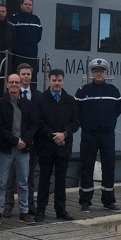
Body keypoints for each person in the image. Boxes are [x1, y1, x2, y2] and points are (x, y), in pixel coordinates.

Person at [75, 58, 121, 212]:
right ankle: (85, 201)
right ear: (92, 73)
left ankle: (108, 200)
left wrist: (108, 123)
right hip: (89, 135)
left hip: (107, 135)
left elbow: (118, 110)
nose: (98, 74)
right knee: (86, 166)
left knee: (109, 167)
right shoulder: (83, 91)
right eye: (96, 71)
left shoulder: (113, 91)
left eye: (101, 71)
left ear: (105, 73)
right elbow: (77, 111)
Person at [0, 73, 37, 226]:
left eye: (17, 82)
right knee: (1, 182)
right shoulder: (0, 103)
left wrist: (25, 141)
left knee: (23, 182)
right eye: (12, 82)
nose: (15, 85)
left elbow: (33, 125)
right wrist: (15, 140)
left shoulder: (27, 104)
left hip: (23, 150)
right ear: (7, 85)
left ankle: (24, 212)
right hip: (6, 149)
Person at [35, 68, 80, 222]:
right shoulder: (41, 100)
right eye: (54, 80)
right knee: (44, 179)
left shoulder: (70, 100)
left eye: (59, 80)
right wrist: (53, 135)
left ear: (63, 81)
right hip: (46, 146)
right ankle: (40, 210)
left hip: (64, 146)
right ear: (49, 81)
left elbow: (75, 123)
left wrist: (64, 134)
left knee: (61, 180)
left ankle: (60, 210)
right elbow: (39, 122)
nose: (56, 83)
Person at [2, 63, 41, 218]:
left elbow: (36, 121)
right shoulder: (5, 98)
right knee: (9, 178)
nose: (26, 77)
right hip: (11, 143)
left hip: (29, 144)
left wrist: (26, 139)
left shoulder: (38, 96)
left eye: (28, 74)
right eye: (23, 74)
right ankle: (8, 206)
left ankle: (29, 205)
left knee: (28, 178)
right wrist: (14, 140)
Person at [10, 0, 43, 82]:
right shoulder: (15, 19)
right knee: (18, 78)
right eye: (26, 4)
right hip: (18, 56)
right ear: (21, 5)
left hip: (32, 55)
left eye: (30, 5)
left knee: (32, 78)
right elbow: (11, 36)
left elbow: (38, 37)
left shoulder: (36, 20)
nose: (28, 6)